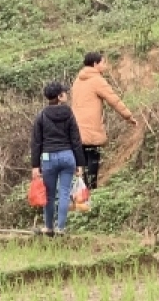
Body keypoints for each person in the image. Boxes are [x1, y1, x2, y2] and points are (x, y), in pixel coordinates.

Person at [71, 51, 137, 190]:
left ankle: (84, 194)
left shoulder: (78, 80)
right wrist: (128, 116)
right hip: (91, 128)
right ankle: (92, 191)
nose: (105, 65)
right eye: (103, 62)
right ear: (95, 64)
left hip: (76, 128)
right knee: (93, 159)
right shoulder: (97, 80)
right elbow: (114, 100)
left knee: (82, 162)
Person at [31, 82, 86, 236]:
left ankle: (49, 227)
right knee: (64, 192)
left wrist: (35, 165)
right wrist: (80, 163)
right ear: (60, 96)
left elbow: (36, 142)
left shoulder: (41, 115)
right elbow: (76, 139)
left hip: (48, 158)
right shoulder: (69, 114)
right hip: (68, 156)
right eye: (64, 93)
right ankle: (61, 229)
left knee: (49, 194)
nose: (66, 95)